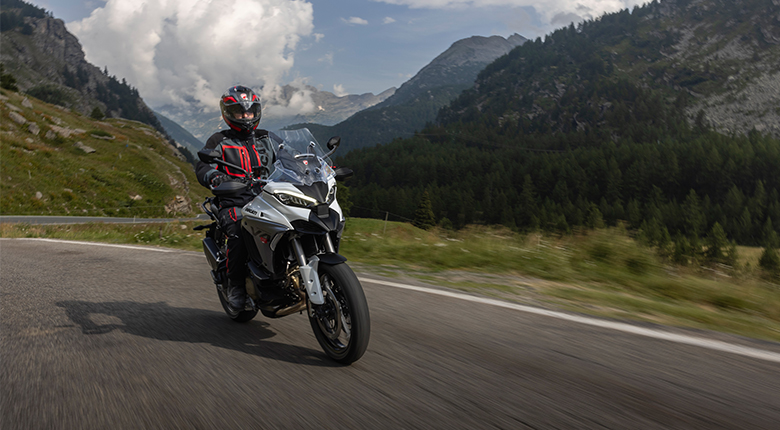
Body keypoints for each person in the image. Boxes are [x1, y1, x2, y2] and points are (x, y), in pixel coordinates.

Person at [195, 85, 280, 310]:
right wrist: (215, 177)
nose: (246, 116)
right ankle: (236, 286)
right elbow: (203, 166)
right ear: (228, 114)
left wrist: (313, 166)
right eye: (240, 112)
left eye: (250, 112)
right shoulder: (219, 140)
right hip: (234, 200)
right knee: (240, 230)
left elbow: (291, 156)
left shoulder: (268, 138)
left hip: (268, 199)